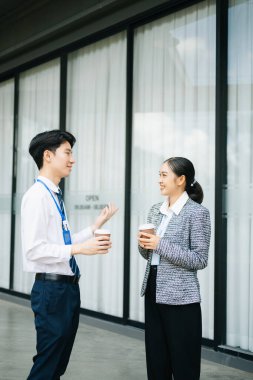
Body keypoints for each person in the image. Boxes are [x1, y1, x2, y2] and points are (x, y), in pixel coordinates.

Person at [21, 130, 118, 380]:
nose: (72, 159)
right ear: (48, 155)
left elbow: (60, 242)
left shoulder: (54, 195)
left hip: (66, 290)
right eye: (68, 152)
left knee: (57, 365)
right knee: (47, 364)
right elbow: (34, 249)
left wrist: (94, 227)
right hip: (51, 291)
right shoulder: (36, 196)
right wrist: (79, 249)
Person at [138, 157, 211, 380]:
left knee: (184, 365)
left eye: (163, 175)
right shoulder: (155, 210)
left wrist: (160, 244)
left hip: (181, 298)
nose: (159, 180)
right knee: (156, 362)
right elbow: (149, 256)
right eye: (159, 174)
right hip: (153, 290)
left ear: (181, 179)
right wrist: (144, 244)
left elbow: (199, 259)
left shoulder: (198, 213)